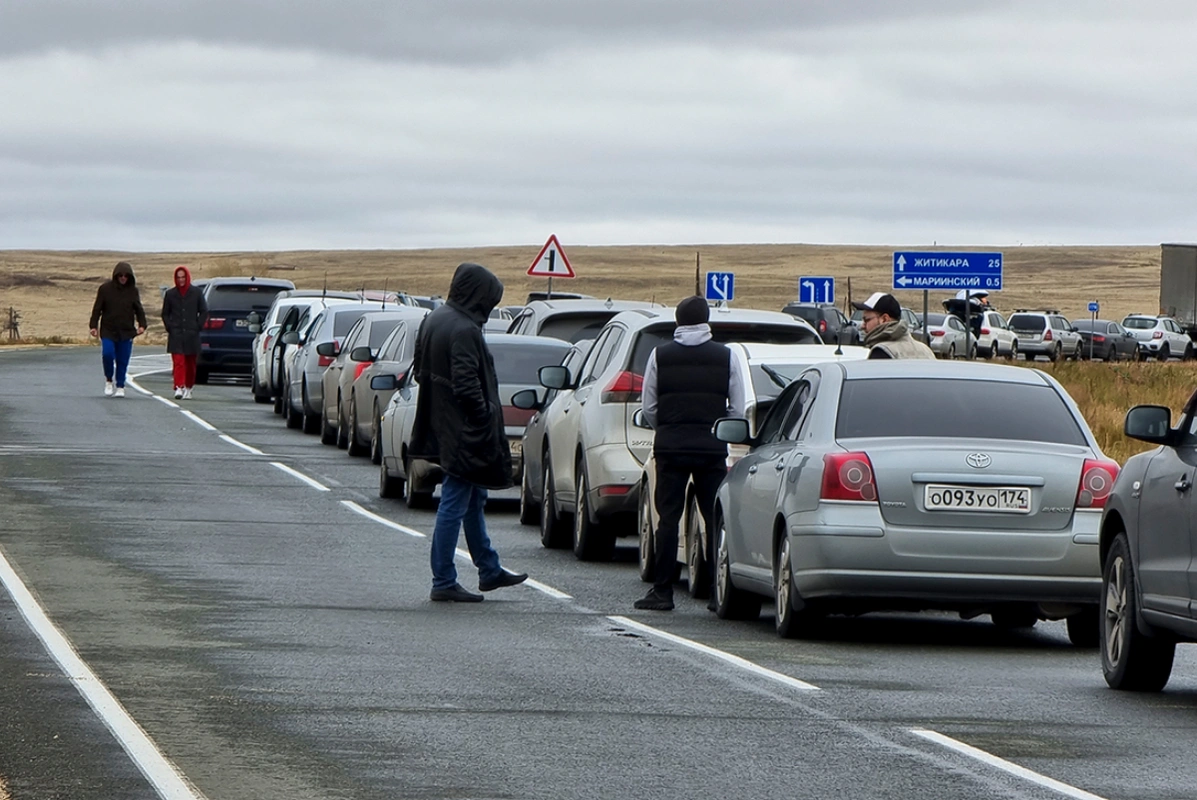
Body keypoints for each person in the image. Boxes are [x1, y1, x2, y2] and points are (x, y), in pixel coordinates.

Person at [408, 262, 528, 603]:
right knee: (455, 501)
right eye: (489, 298)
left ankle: (489, 568)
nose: (489, 307)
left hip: (443, 424)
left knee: (474, 498)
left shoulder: (435, 319)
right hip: (464, 430)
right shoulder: (464, 329)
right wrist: (483, 413)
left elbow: (420, 370)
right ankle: (443, 578)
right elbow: (465, 383)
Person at [635, 296, 746, 612]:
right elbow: (736, 407)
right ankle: (715, 592)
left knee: (667, 518)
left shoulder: (660, 355)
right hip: (711, 447)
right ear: (706, 320)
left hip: (670, 446)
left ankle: (662, 592)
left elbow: (649, 406)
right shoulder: (726, 356)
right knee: (713, 519)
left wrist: (668, 427)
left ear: (678, 321)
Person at [88, 261, 148, 397]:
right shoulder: (105, 289)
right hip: (108, 330)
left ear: (129, 277)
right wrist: (93, 326)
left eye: (126, 276)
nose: (123, 278)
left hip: (126, 331)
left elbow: (139, 309)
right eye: (120, 275)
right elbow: (97, 309)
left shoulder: (133, 291)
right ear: (115, 276)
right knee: (107, 354)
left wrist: (142, 325)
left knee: (123, 359)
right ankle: (109, 380)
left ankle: (120, 385)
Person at [161, 265, 208, 399]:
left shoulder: (196, 293)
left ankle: (188, 386)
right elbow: (165, 313)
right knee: (178, 361)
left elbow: (204, 311)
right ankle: (179, 386)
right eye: (178, 277)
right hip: (176, 333)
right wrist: (170, 326)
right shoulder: (170, 294)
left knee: (191, 363)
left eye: (183, 277)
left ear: (187, 277)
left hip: (192, 334)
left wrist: (198, 326)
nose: (181, 280)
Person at [853, 292, 936, 360]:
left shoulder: (882, 352)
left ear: (884, 319)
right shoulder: (926, 350)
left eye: (867, 320)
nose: (862, 326)